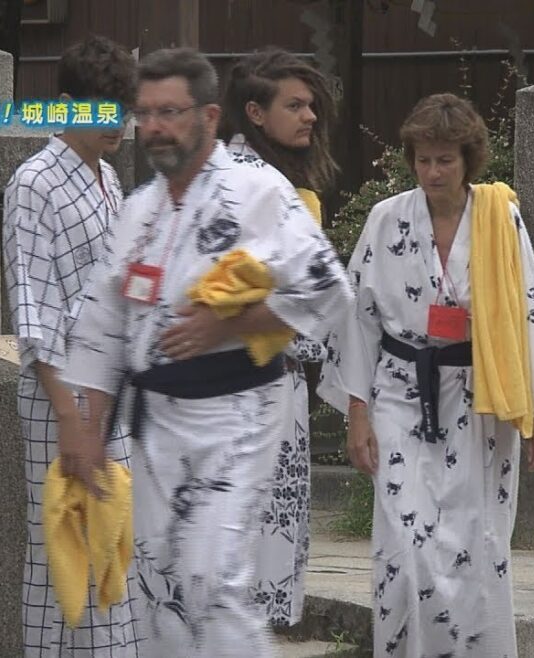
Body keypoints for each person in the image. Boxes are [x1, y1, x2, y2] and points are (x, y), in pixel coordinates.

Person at [60, 47, 353, 657]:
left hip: (238, 407)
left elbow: (329, 290)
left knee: (212, 575)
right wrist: (84, 428)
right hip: (156, 420)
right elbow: (101, 325)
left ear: (210, 117)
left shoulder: (259, 192)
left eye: (170, 111)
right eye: (145, 113)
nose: (154, 127)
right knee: (159, 582)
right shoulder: (139, 209)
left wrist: (232, 325)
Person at [318, 93, 534, 657]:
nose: (432, 171)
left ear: (468, 159)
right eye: (423, 159)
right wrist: (357, 414)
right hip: (401, 390)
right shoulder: (386, 219)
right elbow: (359, 320)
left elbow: (530, 310)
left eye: (444, 160)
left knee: (478, 541)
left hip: (482, 397)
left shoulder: (500, 217)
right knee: (404, 544)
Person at [2, 35, 143, 657]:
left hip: (112, 389)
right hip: (60, 394)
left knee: (113, 538)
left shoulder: (108, 177)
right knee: (64, 542)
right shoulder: (33, 182)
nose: (116, 122)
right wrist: (71, 414)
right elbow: (32, 308)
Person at [218, 47, 340, 629]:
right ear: (255, 113)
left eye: (311, 104)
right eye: (294, 105)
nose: (309, 116)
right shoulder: (251, 184)